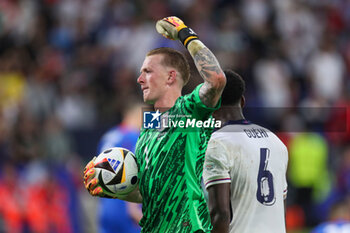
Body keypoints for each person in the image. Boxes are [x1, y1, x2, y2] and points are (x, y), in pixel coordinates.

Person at [84, 16, 226, 232]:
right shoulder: (148, 128)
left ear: (170, 77)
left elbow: (216, 79)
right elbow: (145, 193)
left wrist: (185, 34)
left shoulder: (190, 110)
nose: (139, 79)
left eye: (147, 71)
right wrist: (112, 187)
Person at [202, 70, 288, 233]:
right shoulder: (276, 141)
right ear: (242, 101)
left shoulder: (217, 143)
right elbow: (279, 208)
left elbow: (220, 214)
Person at [96, 102, 143, 233]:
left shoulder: (108, 136)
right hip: (124, 207)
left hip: (106, 206)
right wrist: (133, 209)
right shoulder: (134, 137)